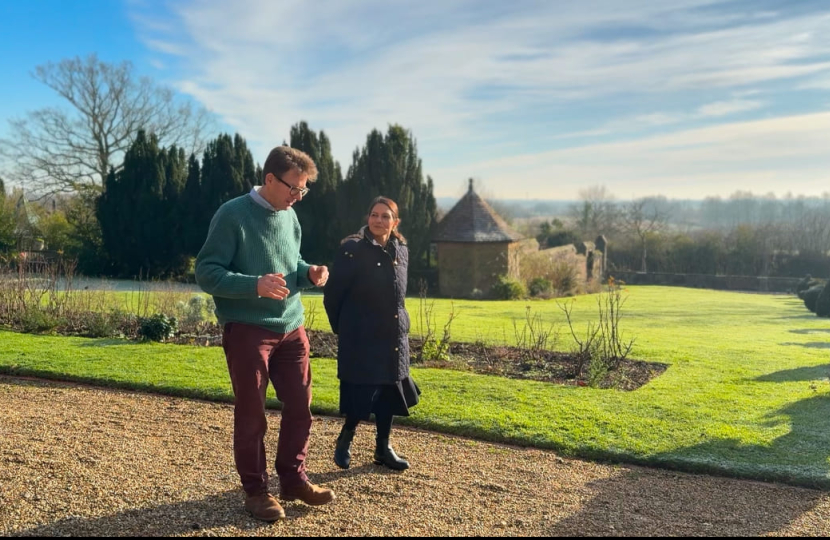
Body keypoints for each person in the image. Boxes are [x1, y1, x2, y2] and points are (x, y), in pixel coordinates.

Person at [195, 145, 334, 522]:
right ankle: (256, 492)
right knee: (253, 412)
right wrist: (254, 285)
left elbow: (291, 262)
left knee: (301, 407)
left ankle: (293, 478)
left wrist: (309, 273)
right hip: (248, 331)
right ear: (270, 179)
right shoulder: (232, 215)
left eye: (304, 190)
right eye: (294, 188)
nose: (298, 197)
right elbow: (206, 272)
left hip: (291, 327)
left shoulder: (290, 217)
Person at [323, 196, 420, 471]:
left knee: (390, 390)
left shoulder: (402, 250)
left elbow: (398, 294)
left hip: (393, 335)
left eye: (385, 216)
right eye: (374, 215)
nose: (379, 220)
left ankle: (383, 448)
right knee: (361, 390)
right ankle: (346, 439)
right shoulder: (352, 250)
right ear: (368, 218)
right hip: (361, 336)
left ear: (395, 221)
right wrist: (345, 329)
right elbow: (332, 296)